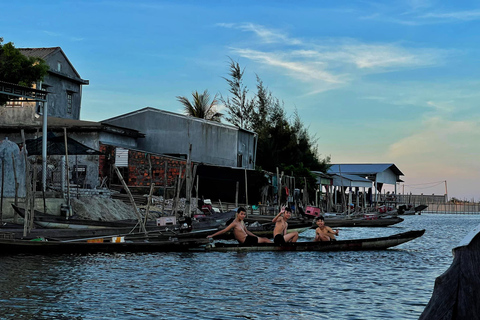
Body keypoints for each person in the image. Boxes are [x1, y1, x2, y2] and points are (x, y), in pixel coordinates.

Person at [207, 207, 272, 245]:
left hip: (248, 238)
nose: (243, 216)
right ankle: (275, 245)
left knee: (265, 239)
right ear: (237, 214)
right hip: (245, 241)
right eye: (241, 214)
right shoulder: (234, 223)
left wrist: (256, 236)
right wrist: (212, 236)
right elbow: (224, 230)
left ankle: (273, 244)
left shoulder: (242, 221)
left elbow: (247, 231)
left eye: (244, 214)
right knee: (265, 240)